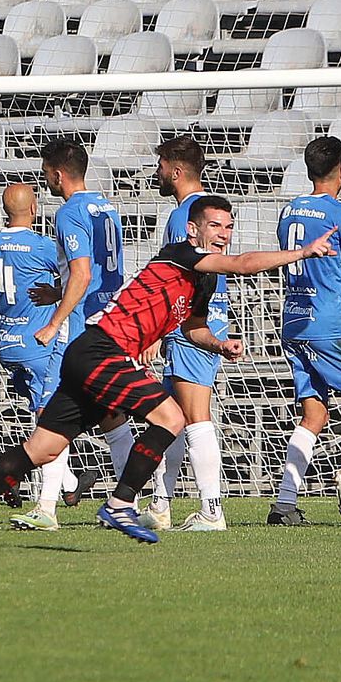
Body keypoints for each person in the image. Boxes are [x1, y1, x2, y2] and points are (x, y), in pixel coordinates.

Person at [0, 194, 337, 550]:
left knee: (44, 450)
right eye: (215, 225)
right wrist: (302, 253)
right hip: (100, 351)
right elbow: (243, 264)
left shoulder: (205, 279)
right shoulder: (179, 252)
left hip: (92, 355)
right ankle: (121, 503)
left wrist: (219, 344)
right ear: (192, 228)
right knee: (172, 417)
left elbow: (192, 328)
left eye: (229, 227)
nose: (224, 233)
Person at [271, 136, 341, 527]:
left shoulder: (287, 210)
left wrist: (340, 280)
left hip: (294, 321)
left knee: (313, 412)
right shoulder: (340, 213)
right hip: (329, 325)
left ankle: (284, 504)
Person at [0, 182, 83, 531]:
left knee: (46, 420)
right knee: (52, 426)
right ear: (33, 210)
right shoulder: (45, 247)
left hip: (6, 346)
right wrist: (57, 292)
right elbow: (79, 281)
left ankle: (72, 486)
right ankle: (45, 507)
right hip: (42, 347)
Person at [26, 139, 132, 499]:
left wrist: (55, 320)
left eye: (46, 176)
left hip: (79, 329)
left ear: (57, 174)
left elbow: (83, 275)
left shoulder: (69, 212)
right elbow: (103, 276)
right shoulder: (108, 209)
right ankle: (126, 500)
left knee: (48, 412)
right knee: (110, 415)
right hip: (110, 321)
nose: (47, 183)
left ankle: (46, 507)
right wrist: (60, 293)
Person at [140, 136, 231, 532]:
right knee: (171, 416)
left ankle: (212, 510)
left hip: (189, 322)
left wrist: (158, 327)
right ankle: (161, 502)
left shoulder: (187, 216)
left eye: (160, 166)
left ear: (175, 171)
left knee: (195, 416)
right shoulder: (206, 210)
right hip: (200, 317)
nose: (157, 173)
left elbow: (174, 278)